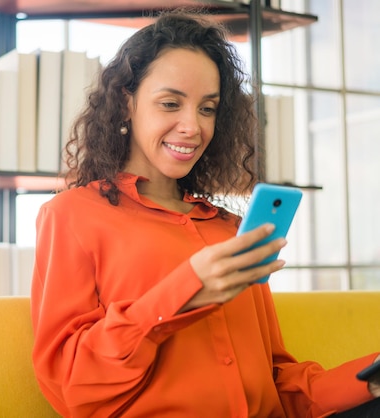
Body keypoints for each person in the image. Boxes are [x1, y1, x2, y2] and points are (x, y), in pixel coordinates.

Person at [30, 9, 380, 418]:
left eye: (207, 108)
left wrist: (370, 379)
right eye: (170, 103)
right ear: (126, 102)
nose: (192, 127)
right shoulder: (72, 216)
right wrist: (182, 293)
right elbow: (72, 386)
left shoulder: (228, 229)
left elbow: (279, 385)